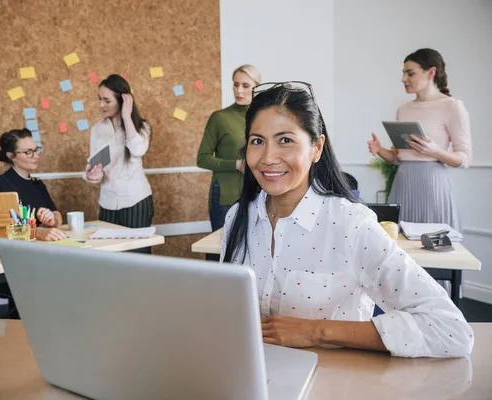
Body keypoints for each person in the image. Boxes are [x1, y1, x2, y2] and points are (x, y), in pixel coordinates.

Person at [221, 82, 473, 358]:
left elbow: (451, 330)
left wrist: (316, 331)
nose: (268, 158)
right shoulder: (238, 218)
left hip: (335, 382)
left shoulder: (350, 224)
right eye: (258, 141)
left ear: (317, 148)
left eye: (285, 140)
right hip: (256, 377)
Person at [367, 48, 472, 231]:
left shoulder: (452, 106)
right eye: (403, 73)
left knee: (434, 246)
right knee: (399, 244)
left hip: (432, 184)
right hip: (403, 181)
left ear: (431, 73)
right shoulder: (403, 109)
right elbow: (397, 156)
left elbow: (465, 158)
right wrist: (379, 150)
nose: (403, 79)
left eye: (410, 73)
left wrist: (435, 152)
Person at [83, 75, 153, 251]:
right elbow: (93, 166)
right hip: (107, 202)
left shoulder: (141, 126)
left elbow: (137, 150)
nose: (101, 105)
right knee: (110, 257)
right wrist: (92, 175)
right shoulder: (97, 129)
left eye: (107, 100)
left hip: (135, 201)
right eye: (99, 99)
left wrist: (127, 118)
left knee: (137, 257)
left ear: (122, 100)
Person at [197, 64, 262, 233]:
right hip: (225, 195)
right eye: (235, 84)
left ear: (257, 87)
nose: (239, 91)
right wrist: (236, 164)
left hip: (259, 193)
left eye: (245, 86)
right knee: (222, 252)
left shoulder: (263, 118)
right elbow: (202, 158)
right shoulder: (220, 118)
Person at [0, 128, 66, 242]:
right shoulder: (1, 184)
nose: (36, 156)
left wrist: (52, 219)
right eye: (28, 152)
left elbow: (57, 215)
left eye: (36, 150)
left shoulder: (37, 183)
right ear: (11, 156)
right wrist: (38, 232)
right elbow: (5, 227)